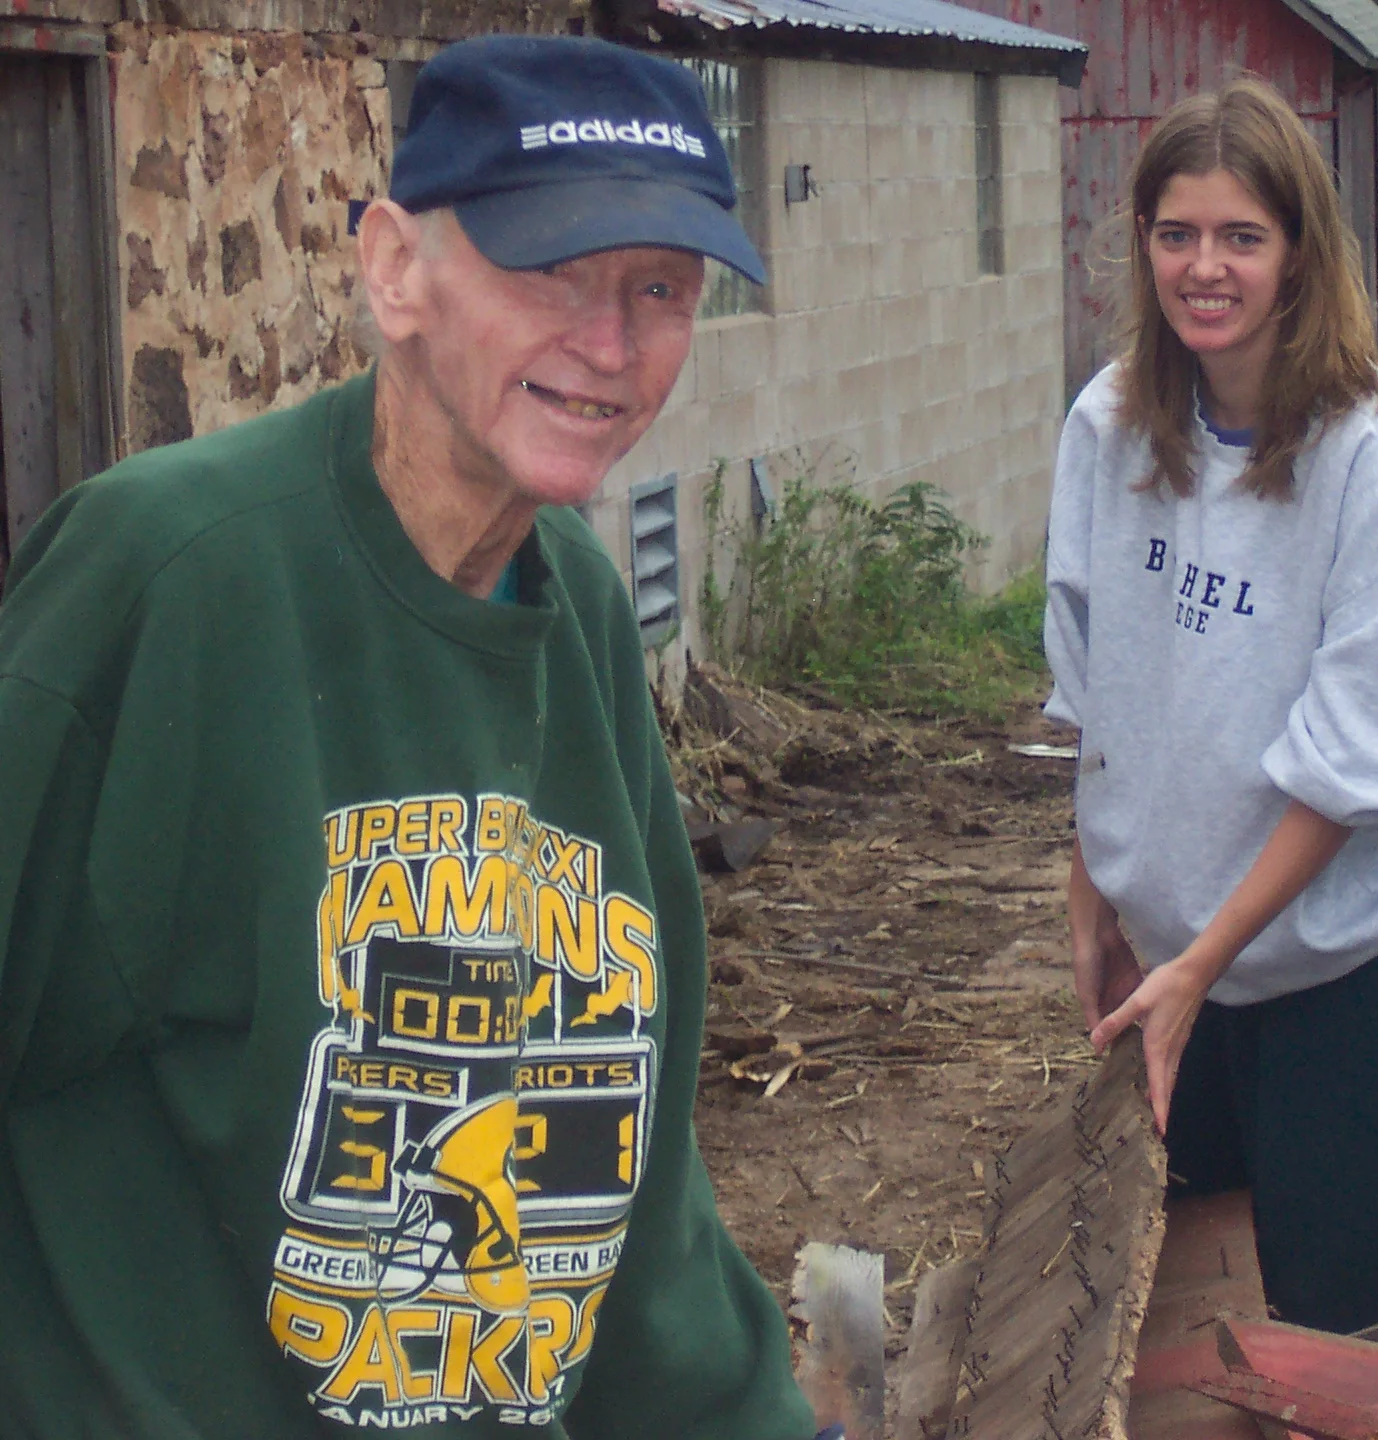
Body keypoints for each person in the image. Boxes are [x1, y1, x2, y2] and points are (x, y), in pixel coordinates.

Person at [0, 36, 816, 1439]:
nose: (611, 345)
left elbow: (631, 1171)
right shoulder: (168, 577)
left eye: (662, 288)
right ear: (395, 272)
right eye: (552, 271)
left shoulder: (579, 611)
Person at [1046, 76, 1378, 1336]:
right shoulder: (1110, 426)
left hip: (1348, 974)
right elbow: (1100, 686)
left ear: (1299, 250)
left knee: (1358, 1334)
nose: (1206, 268)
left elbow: (1366, 753)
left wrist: (1204, 957)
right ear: (1142, 244)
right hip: (1183, 969)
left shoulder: (1371, 451)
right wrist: (1100, 892)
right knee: (1194, 1320)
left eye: (1241, 236)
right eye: (1178, 234)